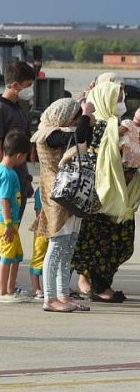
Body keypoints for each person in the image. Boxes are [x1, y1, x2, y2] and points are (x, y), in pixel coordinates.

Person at [72, 75, 140, 303]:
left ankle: (98, 283)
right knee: (104, 242)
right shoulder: (98, 126)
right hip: (101, 196)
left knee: (119, 242)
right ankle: (98, 286)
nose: (122, 103)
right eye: (117, 98)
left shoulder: (115, 126)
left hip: (116, 196)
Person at [0, 59, 35, 297]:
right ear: (14, 84)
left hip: (19, 179)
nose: (30, 89)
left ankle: (7, 284)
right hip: (3, 180)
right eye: (27, 84)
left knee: (12, 229)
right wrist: (0, 179)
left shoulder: (19, 110)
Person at [31, 96, 89, 313]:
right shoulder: (48, 134)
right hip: (57, 198)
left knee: (68, 247)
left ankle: (62, 295)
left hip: (70, 196)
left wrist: (85, 117)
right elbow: (80, 134)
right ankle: (49, 297)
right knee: (56, 247)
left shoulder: (61, 133)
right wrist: (86, 114)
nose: (75, 123)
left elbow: (83, 137)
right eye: (73, 118)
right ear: (63, 116)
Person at [0, 129, 32, 304]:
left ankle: (10, 288)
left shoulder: (0, 169)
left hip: (11, 222)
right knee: (7, 256)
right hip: (6, 222)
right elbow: (5, 200)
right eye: (25, 157)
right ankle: (2, 292)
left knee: (16, 255)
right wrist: (8, 223)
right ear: (19, 156)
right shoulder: (7, 174)